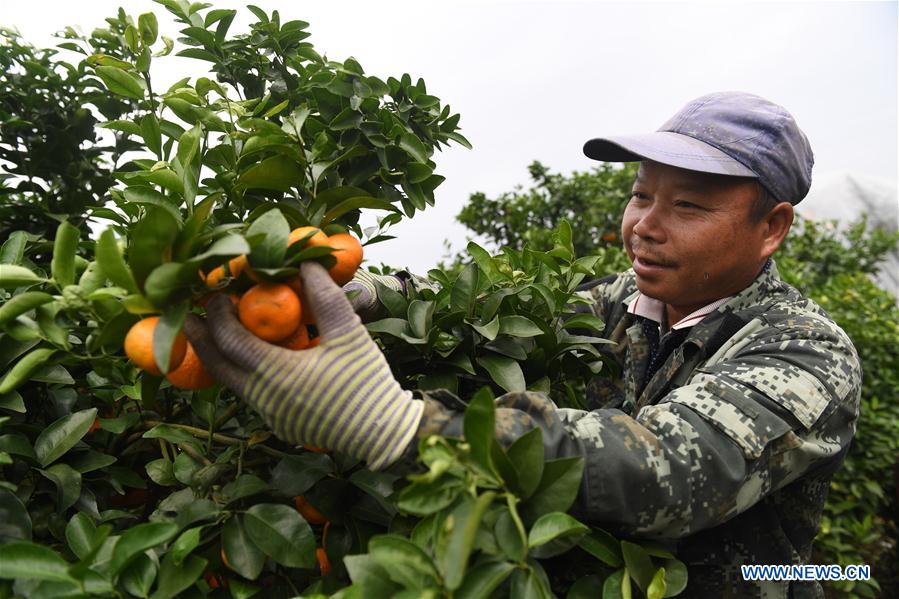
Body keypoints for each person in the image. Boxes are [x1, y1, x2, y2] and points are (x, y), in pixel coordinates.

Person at [183, 91, 862, 597]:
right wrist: (369, 293)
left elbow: (668, 473)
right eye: (639, 196)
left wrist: (398, 426)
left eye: (687, 207)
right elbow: (491, 307)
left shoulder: (804, 353)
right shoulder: (613, 301)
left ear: (771, 226)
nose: (643, 227)